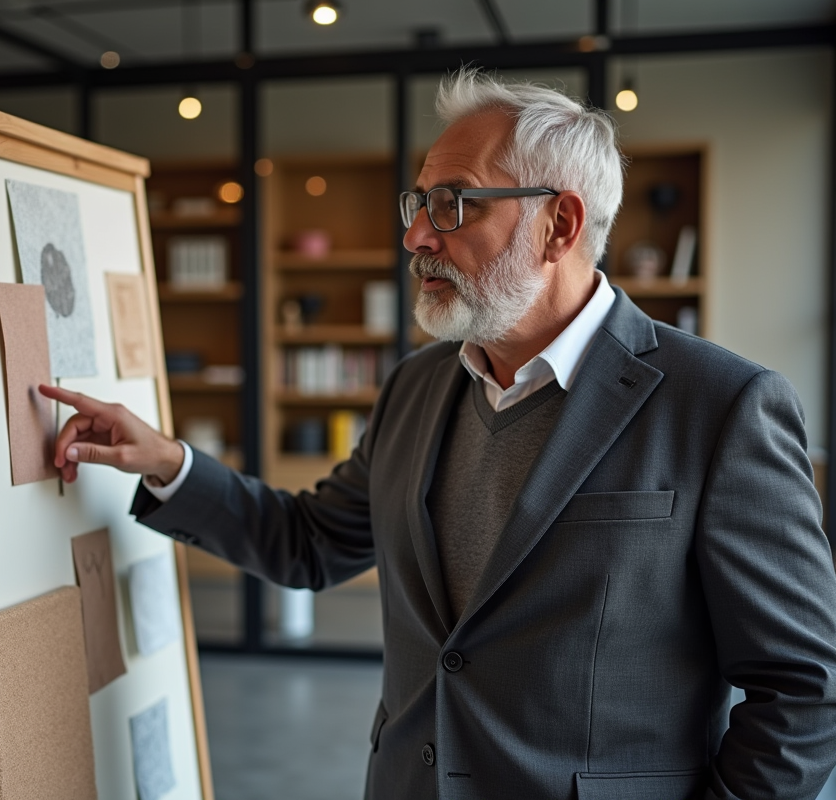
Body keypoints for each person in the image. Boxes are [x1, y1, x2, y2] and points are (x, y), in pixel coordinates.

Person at [41, 68, 836, 800]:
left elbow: (803, 690)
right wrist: (169, 462)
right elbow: (312, 542)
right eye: (417, 202)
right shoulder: (417, 387)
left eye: (454, 203)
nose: (417, 236)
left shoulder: (721, 406)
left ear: (560, 223)